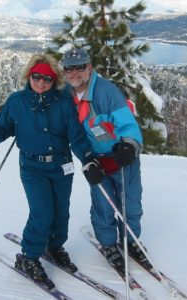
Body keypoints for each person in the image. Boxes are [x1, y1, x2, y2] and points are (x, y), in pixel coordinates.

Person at [0, 53, 100, 289]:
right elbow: (1, 129)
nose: (41, 82)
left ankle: (54, 246)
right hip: (33, 167)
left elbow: (76, 137)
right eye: (37, 77)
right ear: (29, 75)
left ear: (53, 80)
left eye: (47, 79)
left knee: (61, 211)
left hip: (61, 166)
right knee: (42, 212)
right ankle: (28, 257)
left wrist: (89, 159)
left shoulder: (63, 102)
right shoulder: (17, 102)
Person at [60, 48, 146, 275]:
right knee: (103, 207)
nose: (75, 72)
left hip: (122, 159)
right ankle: (108, 244)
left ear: (89, 67)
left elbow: (129, 126)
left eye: (80, 67)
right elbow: (40, 97)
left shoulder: (107, 93)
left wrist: (128, 146)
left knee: (131, 205)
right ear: (65, 71)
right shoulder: (65, 95)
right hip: (97, 162)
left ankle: (131, 240)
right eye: (70, 68)